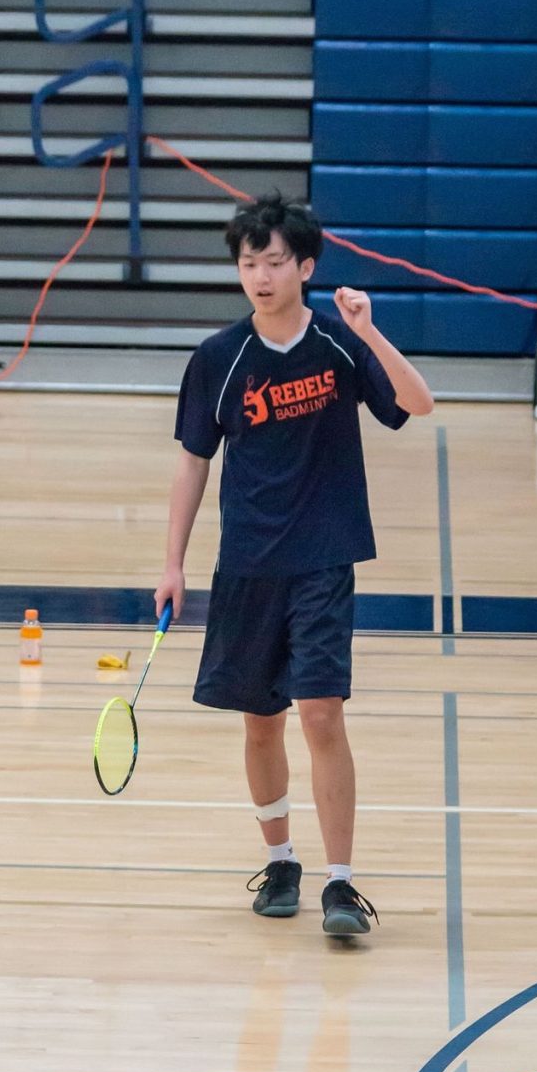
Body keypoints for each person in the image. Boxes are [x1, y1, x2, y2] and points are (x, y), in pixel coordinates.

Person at [154, 192, 434, 937]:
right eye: (249, 263)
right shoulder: (219, 358)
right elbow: (191, 463)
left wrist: (369, 333)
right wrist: (172, 563)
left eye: (275, 261)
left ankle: (341, 884)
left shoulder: (340, 345)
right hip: (247, 560)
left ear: (305, 266)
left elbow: (419, 403)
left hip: (322, 558)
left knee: (319, 715)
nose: (261, 275)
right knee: (258, 724)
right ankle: (280, 861)